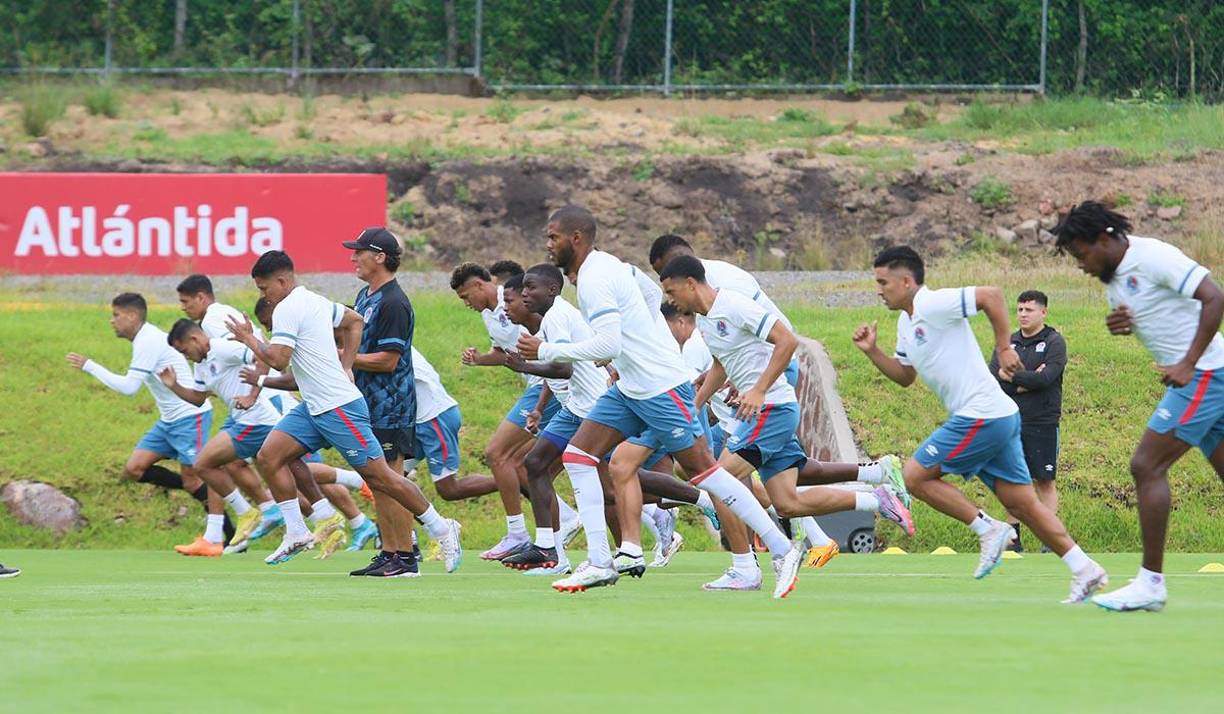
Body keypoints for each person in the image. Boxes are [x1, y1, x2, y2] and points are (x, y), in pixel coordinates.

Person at [517, 205, 801, 598]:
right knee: (579, 457)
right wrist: (636, 342)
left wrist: (546, 348)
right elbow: (644, 305)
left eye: (553, 237)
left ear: (576, 239)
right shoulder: (605, 268)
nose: (548, 245)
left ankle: (783, 549)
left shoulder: (596, 277)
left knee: (707, 474)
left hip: (660, 388)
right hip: (631, 387)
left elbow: (609, 342)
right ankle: (602, 561)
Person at [853, 246, 1107, 604]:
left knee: (914, 476)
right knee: (1023, 505)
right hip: (997, 415)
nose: (879, 289)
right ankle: (1086, 569)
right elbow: (905, 376)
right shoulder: (905, 323)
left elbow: (992, 295)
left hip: (981, 415)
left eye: (884, 282)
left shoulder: (932, 303)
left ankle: (987, 528)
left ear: (907, 281)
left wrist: (1004, 347)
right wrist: (872, 352)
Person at [660, 255, 914, 590]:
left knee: (718, 480)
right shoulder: (706, 321)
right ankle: (874, 498)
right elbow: (722, 364)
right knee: (787, 503)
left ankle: (747, 567)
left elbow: (787, 340)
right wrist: (695, 404)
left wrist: (759, 390)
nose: (669, 300)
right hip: (768, 413)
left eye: (671, 290)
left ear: (690, 283)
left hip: (772, 410)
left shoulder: (733, 305)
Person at [226, 250, 462, 569]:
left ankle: (441, 528)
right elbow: (354, 321)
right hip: (315, 405)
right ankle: (296, 531)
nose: (263, 296)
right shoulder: (314, 300)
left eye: (264, 289)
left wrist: (249, 339)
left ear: (281, 281)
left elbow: (279, 359)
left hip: (337, 406)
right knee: (269, 455)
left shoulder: (288, 309)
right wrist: (347, 365)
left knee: (381, 477)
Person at [1054, 202, 1224, 612]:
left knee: (1146, 466)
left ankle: (1151, 583)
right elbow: (1162, 314)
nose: (1081, 266)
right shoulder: (1115, 277)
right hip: (1203, 375)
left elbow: (1215, 298)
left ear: (1106, 238)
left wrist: (1186, 362)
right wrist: (1125, 325)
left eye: (1081, 255)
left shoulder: (1154, 257)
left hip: (1205, 373)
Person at [66, 293, 232, 549]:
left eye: (116, 315)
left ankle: (231, 536)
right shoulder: (145, 339)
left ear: (132, 316)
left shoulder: (148, 341)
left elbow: (129, 388)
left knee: (200, 475)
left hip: (190, 417)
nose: (112, 321)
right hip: (169, 421)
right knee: (135, 469)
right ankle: (198, 490)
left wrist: (90, 365)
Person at [450, 262, 568, 561]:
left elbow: (551, 344)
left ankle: (519, 534)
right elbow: (504, 355)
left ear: (480, 285)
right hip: (543, 385)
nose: (467, 304)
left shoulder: (517, 298)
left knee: (496, 453)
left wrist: (541, 396)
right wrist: (479, 359)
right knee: (524, 464)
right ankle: (563, 525)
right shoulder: (490, 315)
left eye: (466, 296)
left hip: (549, 384)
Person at [341, 227, 433, 577]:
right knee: (377, 481)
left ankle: (406, 556)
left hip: (391, 404)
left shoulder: (394, 301)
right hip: (369, 403)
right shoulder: (366, 294)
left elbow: (388, 360)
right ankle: (390, 551)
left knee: (390, 478)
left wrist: (345, 359)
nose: (353, 258)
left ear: (379, 257)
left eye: (359, 251)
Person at [161, 319, 288, 556]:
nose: (186, 356)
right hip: (244, 421)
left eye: (184, 350)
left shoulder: (221, 348)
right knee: (292, 474)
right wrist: (173, 386)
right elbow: (199, 398)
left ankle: (251, 512)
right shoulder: (201, 364)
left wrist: (251, 395)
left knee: (203, 463)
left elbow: (263, 358)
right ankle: (277, 512)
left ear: (195, 339)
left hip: (256, 420)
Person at [989, 290, 1066, 552]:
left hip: (1043, 420)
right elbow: (993, 378)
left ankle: (1050, 540)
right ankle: (1012, 539)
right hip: (1010, 420)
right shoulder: (1007, 343)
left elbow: (1046, 379)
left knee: (1044, 480)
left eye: (1029, 310)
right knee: (1012, 480)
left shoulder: (1054, 342)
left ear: (1043, 312)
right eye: (1020, 310)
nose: (1022, 314)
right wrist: (1024, 381)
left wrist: (1012, 376)